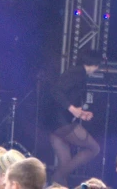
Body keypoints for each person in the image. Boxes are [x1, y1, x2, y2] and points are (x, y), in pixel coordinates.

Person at [45, 50, 102, 184]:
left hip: (56, 122)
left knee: (65, 164)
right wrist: (72, 109)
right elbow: (55, 91)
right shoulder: (77, 73)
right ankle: (56, 177)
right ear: (95, 64)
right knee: (94, 148)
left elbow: (66, 97)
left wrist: (80, 113)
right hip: (60, 121)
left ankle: (57, 181)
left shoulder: (79, 74)